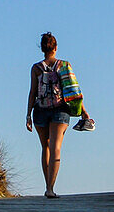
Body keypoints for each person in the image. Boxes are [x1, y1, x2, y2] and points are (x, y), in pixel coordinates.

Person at [26, 32, 94, 198]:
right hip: (60, 110)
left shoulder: (36, 68)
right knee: (56, 148)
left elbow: (32, 92)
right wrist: (84, 112)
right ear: (55, 48)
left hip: (40, 110)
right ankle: (51, 187)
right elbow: (73, 91)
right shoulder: (64, 65)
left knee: (45, 148)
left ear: (42, 49)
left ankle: (46, 186)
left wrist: (28, 115)